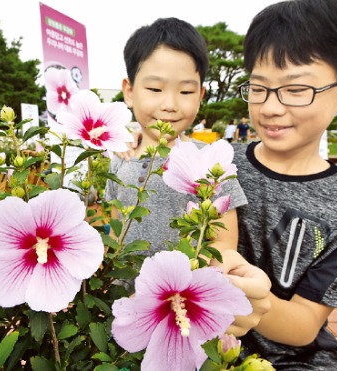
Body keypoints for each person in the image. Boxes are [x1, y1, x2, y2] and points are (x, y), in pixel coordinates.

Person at [232, 0, 337, 368]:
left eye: (296, 89)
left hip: (290, 360)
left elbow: (304, 325)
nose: (270, 107)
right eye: (258, 87)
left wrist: (245, 300)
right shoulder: (216, 165)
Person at [106, 17, 272, 337]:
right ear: (128, 91)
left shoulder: (212, 163)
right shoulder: (119, 160)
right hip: (127, 306)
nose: (169, 104)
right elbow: (115, 232)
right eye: (155, 88)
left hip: (187, 314)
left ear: (201, 95)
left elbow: (223, 247)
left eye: (185, 91)